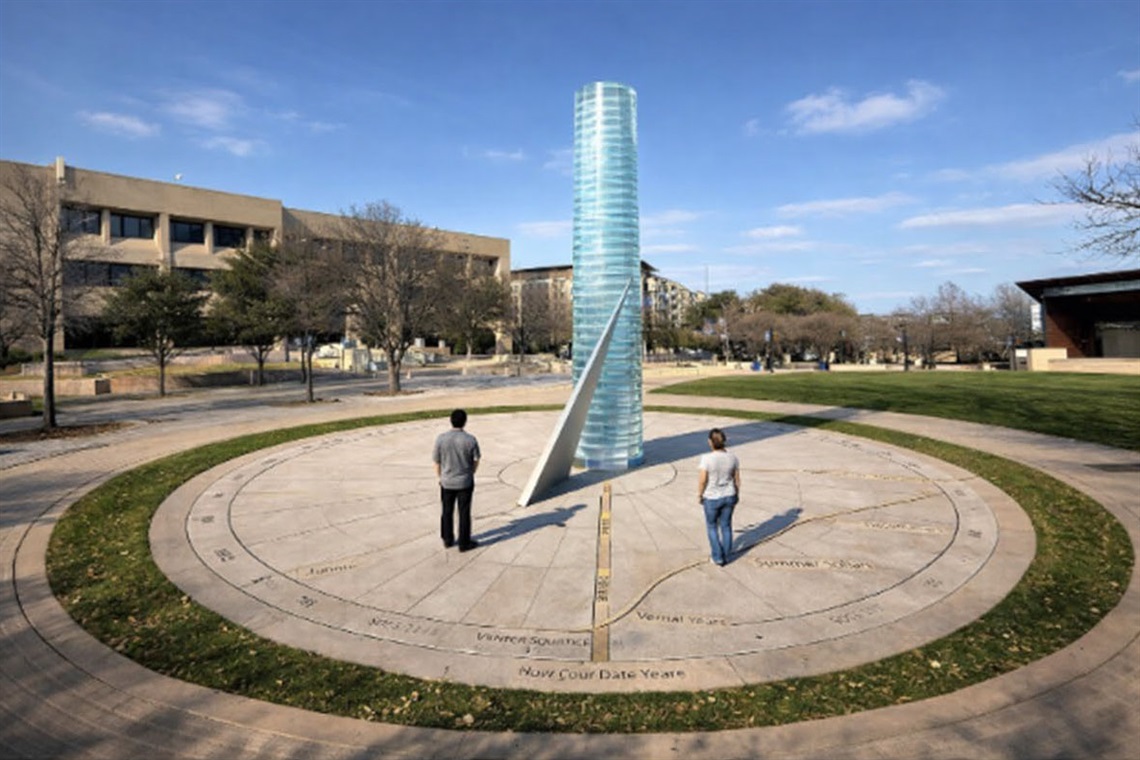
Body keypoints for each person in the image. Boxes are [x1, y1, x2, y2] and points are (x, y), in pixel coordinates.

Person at [432, 409, 481, 551]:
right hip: (465, 482)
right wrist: (471, 472)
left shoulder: (441, 439)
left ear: (451, 421)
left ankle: (447, 539)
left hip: (447, 482)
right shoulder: (470, 440)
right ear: (465, 422)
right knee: (464, 512)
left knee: (447, 511)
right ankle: (464, 543)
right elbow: (477, 459)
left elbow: (436, 461)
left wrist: (440, 477)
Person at [698, 427, 740, 566]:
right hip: (729, 495)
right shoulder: (733, 457)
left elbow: (703, 480)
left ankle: (717, 557)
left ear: (710, 442)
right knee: (726, 526)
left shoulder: (706, 459)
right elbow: (737, 480)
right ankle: (726, 555)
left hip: (712, 498)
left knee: (711, 527)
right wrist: (736, 495)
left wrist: (699, 495)